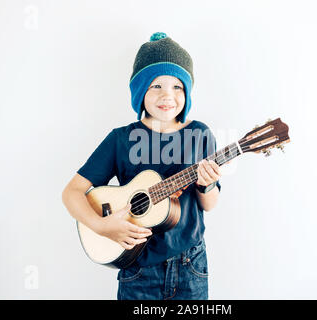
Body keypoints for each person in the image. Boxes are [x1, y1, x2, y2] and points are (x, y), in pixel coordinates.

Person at [62, 32, 226, 300]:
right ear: (140, 91)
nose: (168, 96)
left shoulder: (199, 134)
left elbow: (209, 204)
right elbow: (71, 193)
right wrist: (102, 226)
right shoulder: (121, 139)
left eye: (177, 87)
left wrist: (207, 184)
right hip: (138, 268)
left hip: (191, 265)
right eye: (156, 86)